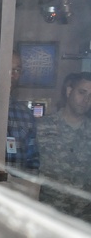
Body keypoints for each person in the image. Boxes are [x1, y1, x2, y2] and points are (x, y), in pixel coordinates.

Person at [37, 72, 91, 222]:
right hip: (51, 214)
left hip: (85, 219)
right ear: (69, 91)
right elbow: (26, 167)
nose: (86, 100)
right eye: (82, 92)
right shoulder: (43, 127)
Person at [5, 50, 39, 174]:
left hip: (15, 189)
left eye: (17, 70)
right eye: (8, 68)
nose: (12, 75)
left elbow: (33, 159)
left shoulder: (25, 115)